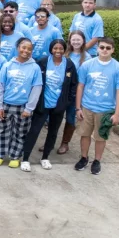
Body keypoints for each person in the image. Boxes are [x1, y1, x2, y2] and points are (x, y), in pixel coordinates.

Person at [75, 37, 119, 175]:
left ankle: (97, 161)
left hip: (105, 110)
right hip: (87, 107)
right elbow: (80, 86)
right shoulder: (87, 65)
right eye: (102, 47)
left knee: (100, 137)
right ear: (97, 48)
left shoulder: (118, 68)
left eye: (108, 48)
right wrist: (78, 107)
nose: (104, 50)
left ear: (113, 50)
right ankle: (83, 157)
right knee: (85, 134)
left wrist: (116, 113)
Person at [21, 39, 76, 171]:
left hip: (58, 106)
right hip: (42, 104)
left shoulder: (69, 64)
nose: (58, 51)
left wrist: (67, 102)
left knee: (53, 132)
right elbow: (33, 81)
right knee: (34, 131)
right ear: (51, 49)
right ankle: (25, 159)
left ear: (64, 50)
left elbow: (73, 85)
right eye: (55, 48)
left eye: (61, 49)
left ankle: (45, 157)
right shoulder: (43, 62)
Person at [0, 38, 42, 169]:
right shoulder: (8, 65)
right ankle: (0, 154)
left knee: (20, 132)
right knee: (2, 130)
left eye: (29, 49)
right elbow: (0, 86)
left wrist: (29, 108)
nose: (26, 51)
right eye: (23, 47)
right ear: (18, 47)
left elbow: (36, 89)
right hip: (6, 104)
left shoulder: (35, 68)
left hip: (23, 107)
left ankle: (15, 156)